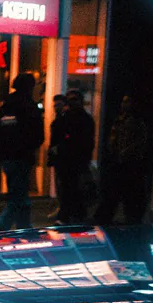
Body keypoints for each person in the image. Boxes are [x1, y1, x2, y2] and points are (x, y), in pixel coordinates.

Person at [0, 72, 44, 231]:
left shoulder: (7, 105)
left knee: (17, 192)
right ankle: (2, 226)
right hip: (22, 156)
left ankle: (23, 225)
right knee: (19, 194)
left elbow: (2, 130)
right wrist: (30, 147)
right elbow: (37, 134)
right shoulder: (29, 105)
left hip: (8, 156)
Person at [95, 95, 148, 225]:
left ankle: (131, 220)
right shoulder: (119, 120)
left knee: (131, 196)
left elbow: (139, 142)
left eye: (127, 101)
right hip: (118, 163)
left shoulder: (137, 122)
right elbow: (114, 140)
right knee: (112, 194)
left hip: (131, 165)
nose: (124, 104)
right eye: (123, 101)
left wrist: (126, 153)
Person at [54, 87, 96, 224]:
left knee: (75, 188)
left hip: (77, 160)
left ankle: (73, 215)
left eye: (74, 100)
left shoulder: (85, 119)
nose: (72, 103)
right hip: (66, 160)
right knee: (67, 189)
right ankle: (70, 215)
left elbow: (87, 141)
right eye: (69, 100)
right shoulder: (65, 118)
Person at [47, 93, 67, 220]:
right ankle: (61, 208)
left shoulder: (63, 120)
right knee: (59, 184)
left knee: (62, 184)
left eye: (59, 105)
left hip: (62, 156)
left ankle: (63, 209)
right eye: (55, 105)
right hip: (57, 156)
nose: (56, 107)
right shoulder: (58, 120)